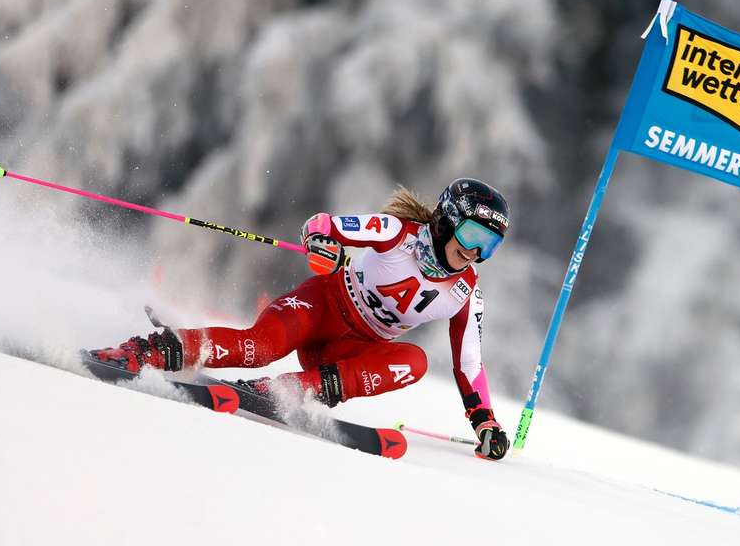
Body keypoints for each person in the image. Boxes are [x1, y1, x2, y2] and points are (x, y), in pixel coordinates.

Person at [92, 178, 511, 460]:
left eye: (490, 246)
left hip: (345, 352)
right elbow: (322, 225)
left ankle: (290, 390)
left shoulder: (466, 293)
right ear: (446, 221)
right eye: (473, 236)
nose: (476, 253)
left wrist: (485, 422)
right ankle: (147, 351)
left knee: (414, 362)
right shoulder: (394, 232)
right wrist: (323, 244)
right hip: (320, 308)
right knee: (259, 348)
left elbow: (469, 364)